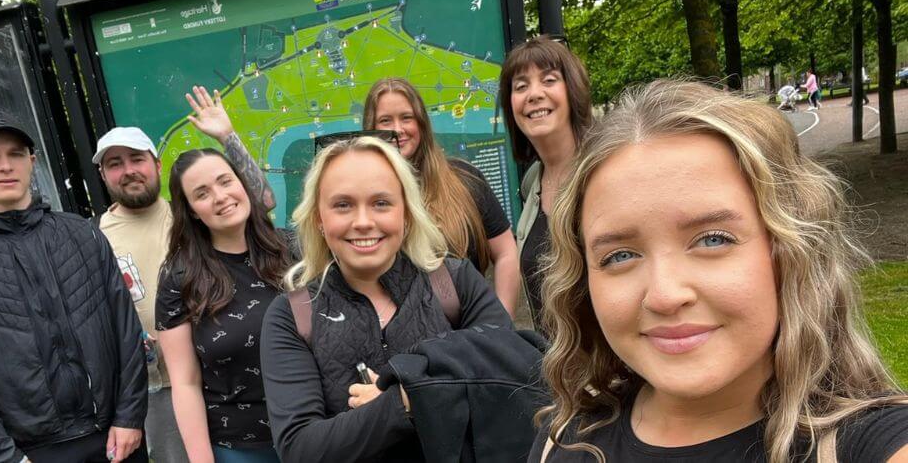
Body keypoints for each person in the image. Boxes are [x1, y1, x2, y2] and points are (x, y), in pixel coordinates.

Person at [530, 80, 908, 462]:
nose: (664, 295)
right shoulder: (563, 439)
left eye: (713, 239)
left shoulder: (867, 446)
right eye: (619, 256)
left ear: (791, 249)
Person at [260, 136, 513, 462]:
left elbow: (511, 373)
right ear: (319, 219)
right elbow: (302, 448)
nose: (363, 222)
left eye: (381, 202)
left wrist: (413, 392)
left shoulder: (455, 282)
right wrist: (402, 404)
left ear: (406, 213)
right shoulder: (292, 315)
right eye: (343, 205)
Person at [0, 109, 148, 462]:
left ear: (31, 161)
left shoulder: (82, 233)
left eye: (15, 154)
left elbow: (125, 329)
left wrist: (130, 416)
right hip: (29, 451)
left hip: (115, 437)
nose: (5, 166)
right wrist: (1, 457)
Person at [94, 86, 275, 462]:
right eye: (115, 163)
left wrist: (227, 136)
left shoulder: (193, 211)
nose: (128, 170)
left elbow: (259, 201)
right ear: (103, 174)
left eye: (136, 159)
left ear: (156, 163)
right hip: (163, 386)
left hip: (252, 388)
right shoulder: (93, 237)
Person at [155, 144, 291, 462]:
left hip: (316, 433)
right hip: (240, 449)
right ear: (190, 210)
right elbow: (185, 382)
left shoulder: (293, 252)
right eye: (202, 193)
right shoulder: (180, 279)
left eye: (225, 181)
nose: (220, 196)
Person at [362, 78, 520, 316]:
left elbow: (506, 250)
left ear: (422, 123)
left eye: (407, 117)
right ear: (371, 129)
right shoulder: (363, 198)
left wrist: (501, 322)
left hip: (471, 334)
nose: (398, 129)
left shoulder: (465, 179)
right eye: (385, 120)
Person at [498, 36, 593, 330]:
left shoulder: (605, 171)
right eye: (521, 86)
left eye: (549, 80)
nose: (534, 94)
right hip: (557, 369)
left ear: (572, 89)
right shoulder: (531, 184)